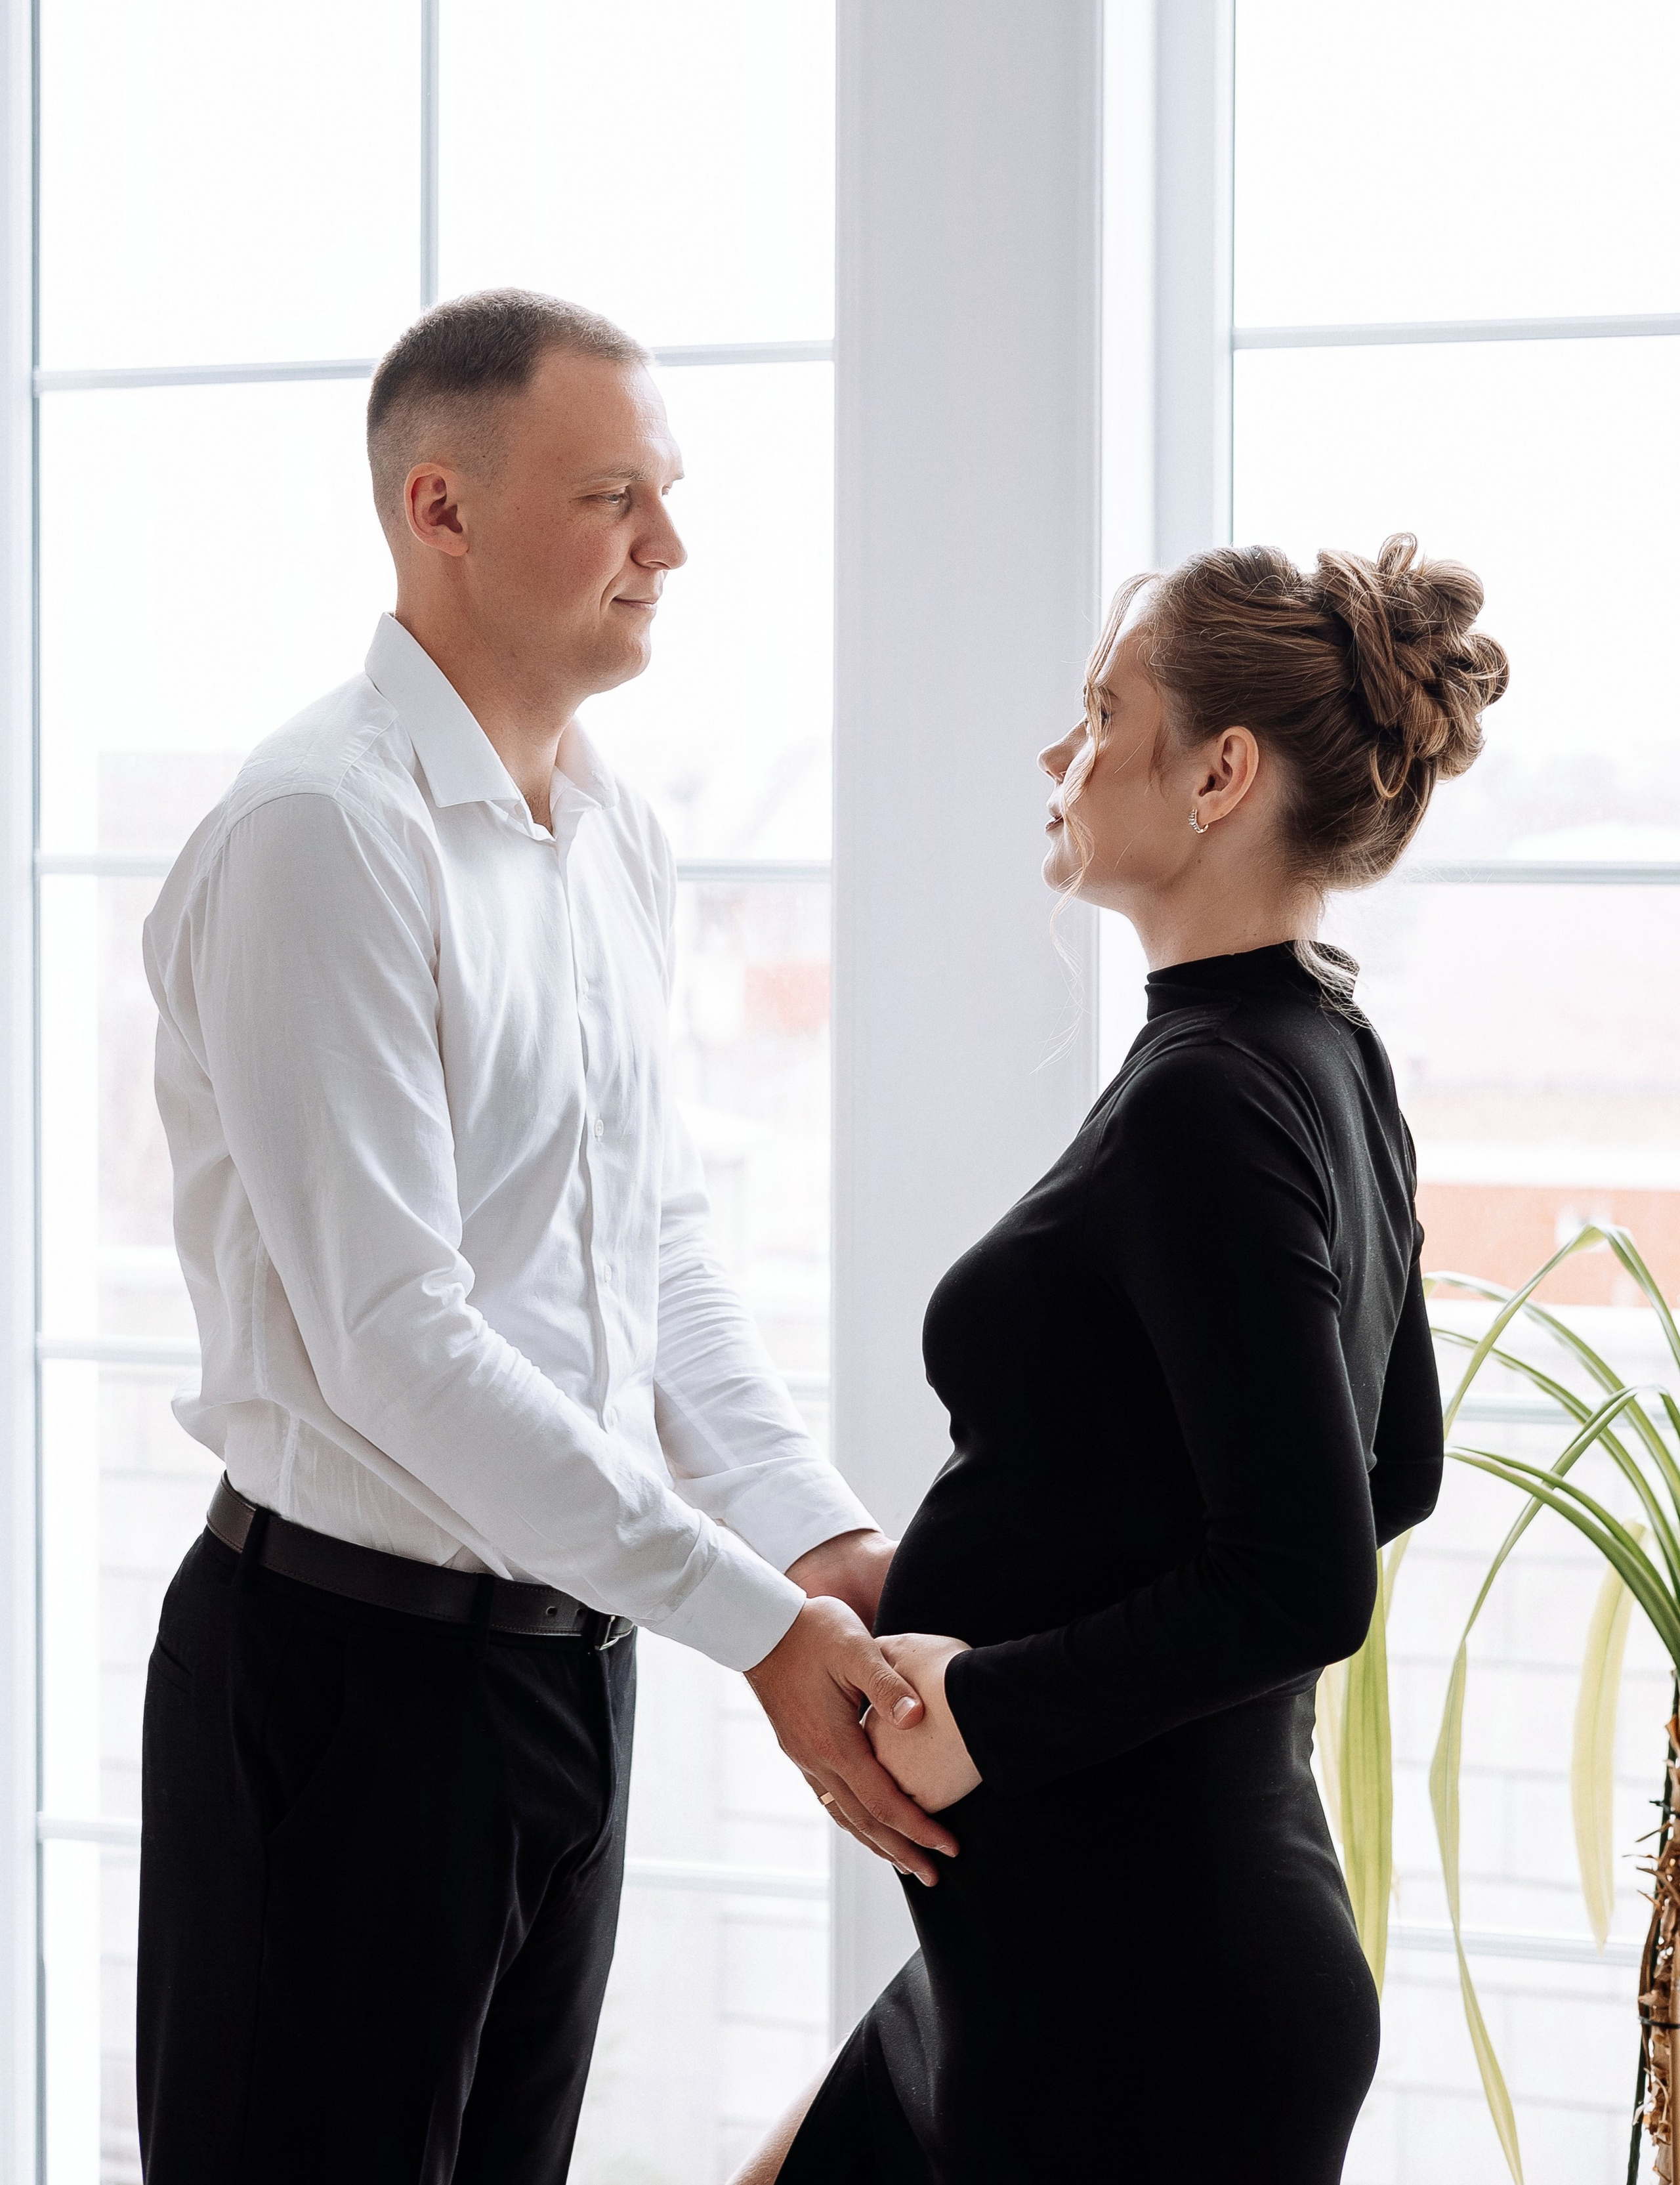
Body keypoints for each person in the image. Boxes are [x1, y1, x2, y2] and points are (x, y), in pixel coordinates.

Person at [135, 289, 950, 2185]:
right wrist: (758, 1629)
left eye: (665, 494)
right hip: (341, 1683)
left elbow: (649, 1247)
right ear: (440, 506)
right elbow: (396, 1338)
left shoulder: (616, 836)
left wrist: (814, 1536)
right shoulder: (323, 835)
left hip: (562, 1674)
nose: (670, 545)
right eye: (614, 499)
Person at [739, 536, 1509, 2184]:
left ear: (1220, 771)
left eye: (1099, 711)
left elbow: (1307, 1573)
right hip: (1067, 1948)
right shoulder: (1317, 1053)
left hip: (1139, 1994)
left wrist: (991, 1705)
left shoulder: (1212, 1096)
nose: (1057, 753)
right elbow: (1398, 1466)